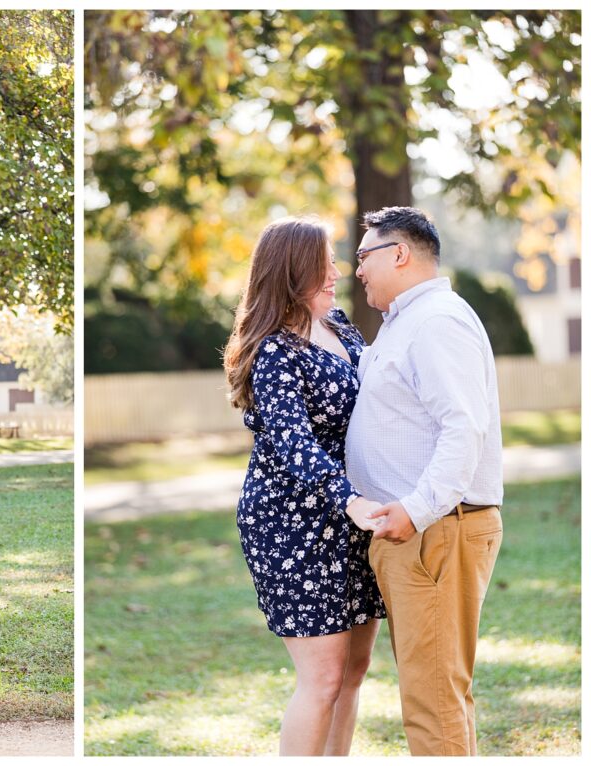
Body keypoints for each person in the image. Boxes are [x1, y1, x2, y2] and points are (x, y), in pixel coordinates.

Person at [223, 217, 387, 756]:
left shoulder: (341, 327)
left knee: (354, 670)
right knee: (322, 679)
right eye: (326, 263)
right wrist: (350, 501)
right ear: (295, 269)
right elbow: (295, 446)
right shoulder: (274, 351)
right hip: (292, 523)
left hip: (352, 517)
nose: (338, 272)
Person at [346, 206, 503, 756]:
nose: (357, 268)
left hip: (435, 530)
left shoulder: (437, 320)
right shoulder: (404, 323)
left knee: (433, 702)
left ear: (400, 253)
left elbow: (464, 428)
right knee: (434, 693)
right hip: (413, 535)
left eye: (364, 256)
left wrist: (416, 509)